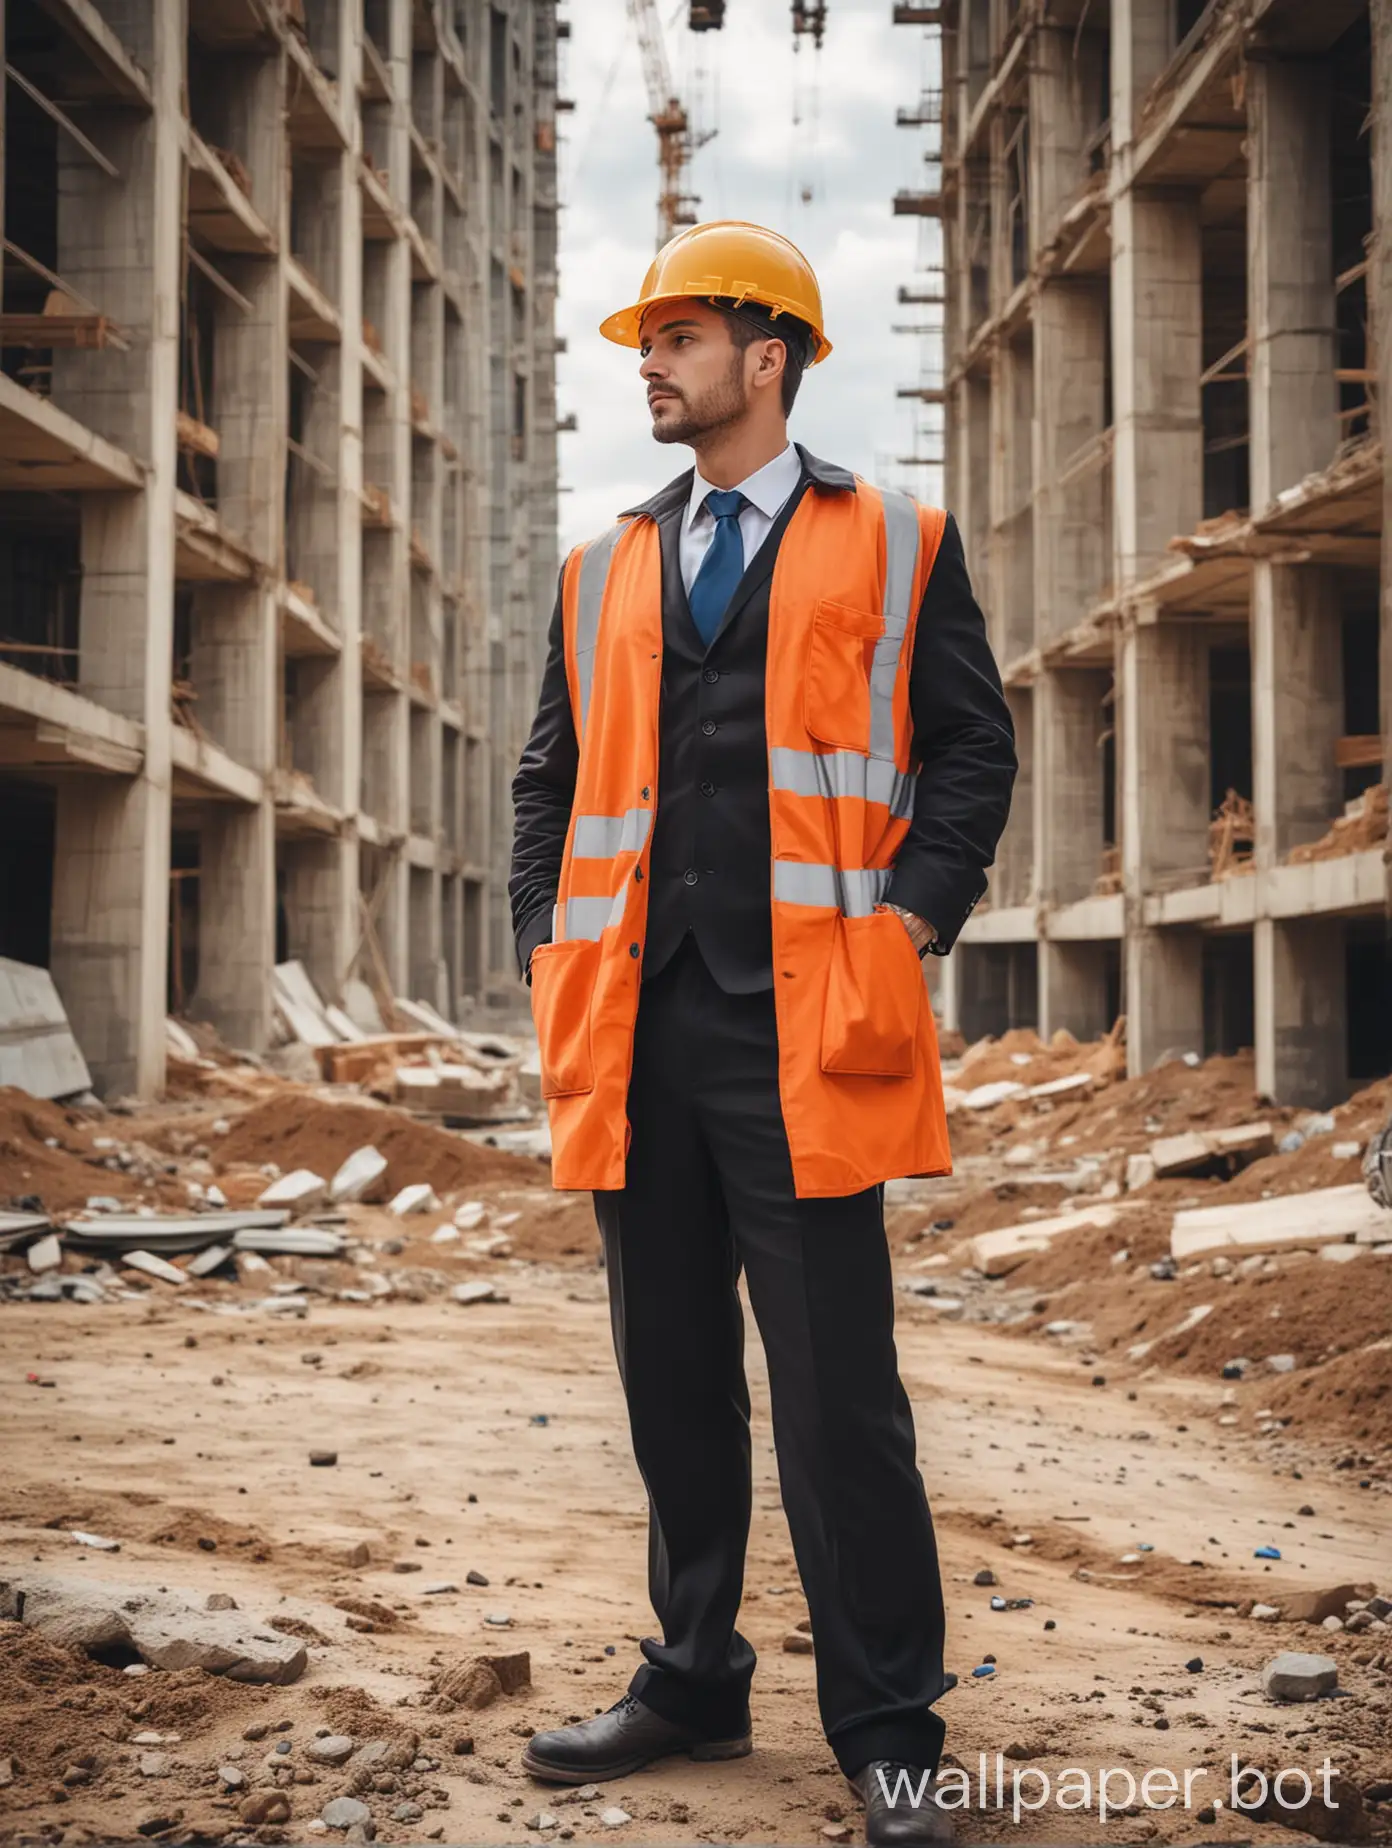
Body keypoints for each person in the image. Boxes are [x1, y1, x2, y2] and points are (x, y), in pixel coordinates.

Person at [508, 221, 1016, 1846]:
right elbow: (548, 780)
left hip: (809, 1025)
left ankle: (885, 1724)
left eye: (679, 336)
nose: (649, 364)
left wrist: (910, 915)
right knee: (668, 1375)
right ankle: (693, 1676)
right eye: (647, 341)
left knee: (836, 1393)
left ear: (768, 354)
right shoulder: (605, 565)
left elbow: (970, 752)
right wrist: (543, 943)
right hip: (635, 1024)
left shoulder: (898, 539)